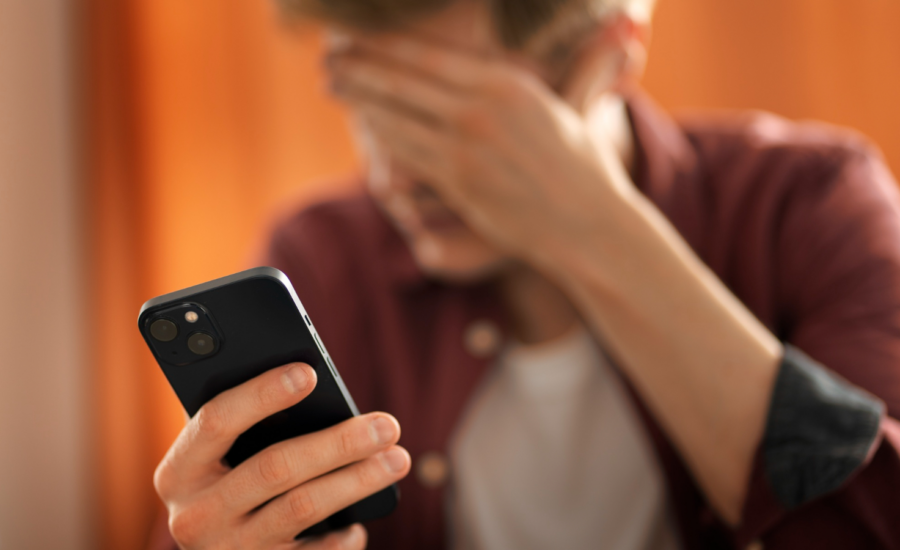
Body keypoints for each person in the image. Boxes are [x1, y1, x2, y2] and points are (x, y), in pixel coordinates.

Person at [149, 0, 900, 548]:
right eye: (368, 107)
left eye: (442, 116)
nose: (393, 174)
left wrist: (590, 224)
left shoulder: (810, 202)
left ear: (612, 52)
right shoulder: (324, 255)